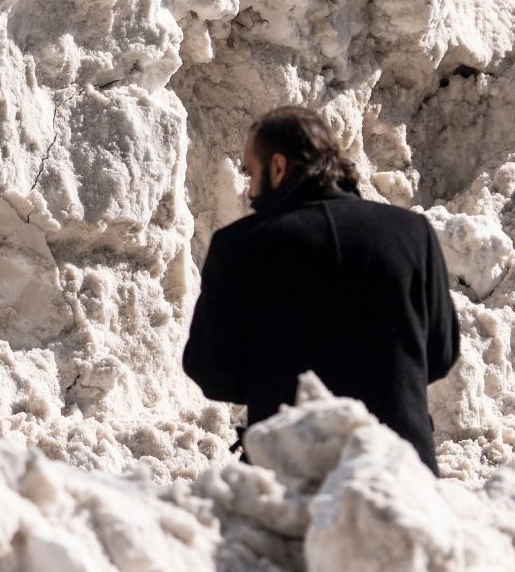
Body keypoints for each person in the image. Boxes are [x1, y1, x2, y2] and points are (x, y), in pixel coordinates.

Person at [183, 106, 461, 473]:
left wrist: (275, 378)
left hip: (291, 474)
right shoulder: (412, 234)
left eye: (250, 173)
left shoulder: (240, 246)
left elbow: (212, 372)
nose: (249, 190)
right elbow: (440, 354)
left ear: (278, 168)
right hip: (400, 473)